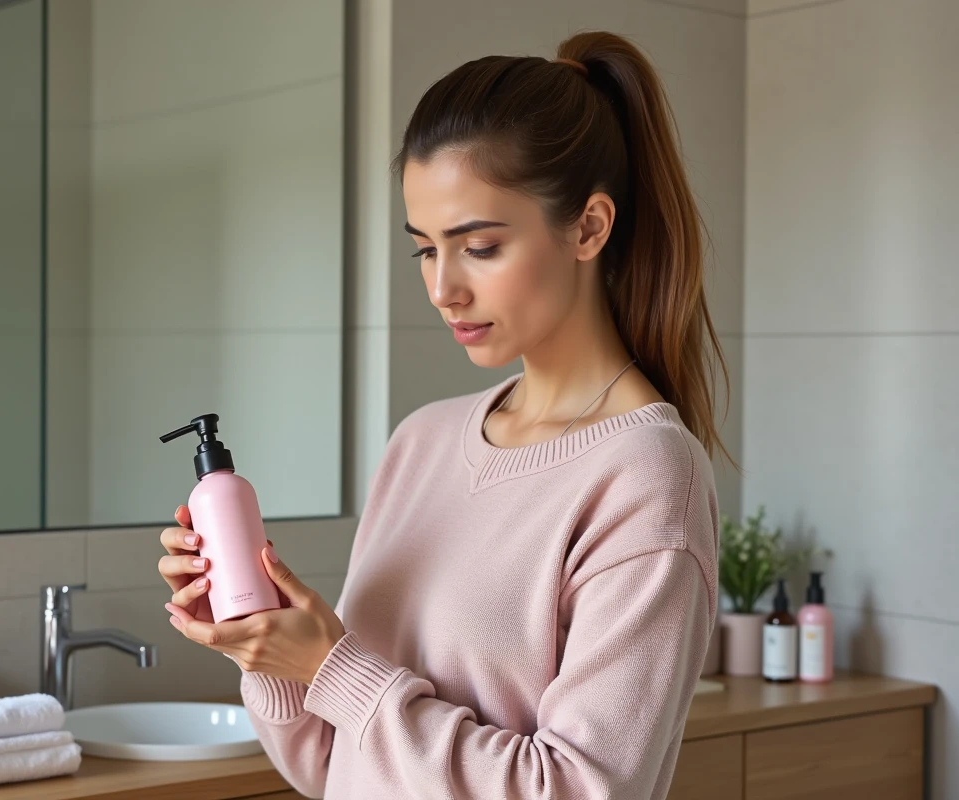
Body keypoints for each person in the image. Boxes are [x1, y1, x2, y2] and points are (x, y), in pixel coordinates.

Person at [160, 30, 729, 800]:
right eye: (425, 249)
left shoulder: (646, 474)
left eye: (480, 246)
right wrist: (267, 646)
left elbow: (579, 788)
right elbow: (334, 768)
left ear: (590, 227)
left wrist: (332, 666)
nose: (442, 288)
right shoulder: (422, 442)